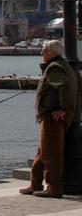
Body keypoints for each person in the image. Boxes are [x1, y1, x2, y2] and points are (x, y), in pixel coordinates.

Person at [20, 40, 79, 198]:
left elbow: (64, 87)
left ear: (52, 53)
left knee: (51, 153)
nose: (42, 53)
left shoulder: (54, 67)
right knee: (42, 151)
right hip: (51, 116)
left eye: (44, 50)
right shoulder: (63, 65)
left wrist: (63, 109)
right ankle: (35, 183)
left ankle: (54, 187)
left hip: (53, 117)